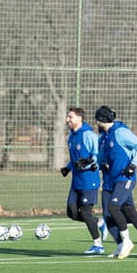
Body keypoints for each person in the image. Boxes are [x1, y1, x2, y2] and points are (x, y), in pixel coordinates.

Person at [95, 105, 137, 259]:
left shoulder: (121, 132)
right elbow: (101, 157)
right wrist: (95, 163)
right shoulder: (103, 137)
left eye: (97, 120)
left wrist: (132, 165)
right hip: (109, 180)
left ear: (101, 119)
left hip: (124, 178)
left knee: (114, 207)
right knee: (115, 213)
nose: (96, 123)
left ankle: (127, 241)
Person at [60, 107, 108, 254]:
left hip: (89, 180)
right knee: (72, 212)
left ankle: (98, 245)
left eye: (70, 117)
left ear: (79, 118)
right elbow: (75, 158)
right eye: (68, 117)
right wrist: (68, 167)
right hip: (76, 181)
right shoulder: (72, 136)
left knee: (86, 212)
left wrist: (88, 162)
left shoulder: (88, 135)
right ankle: (99, 222)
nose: (68, 119)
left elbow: (99, 154)